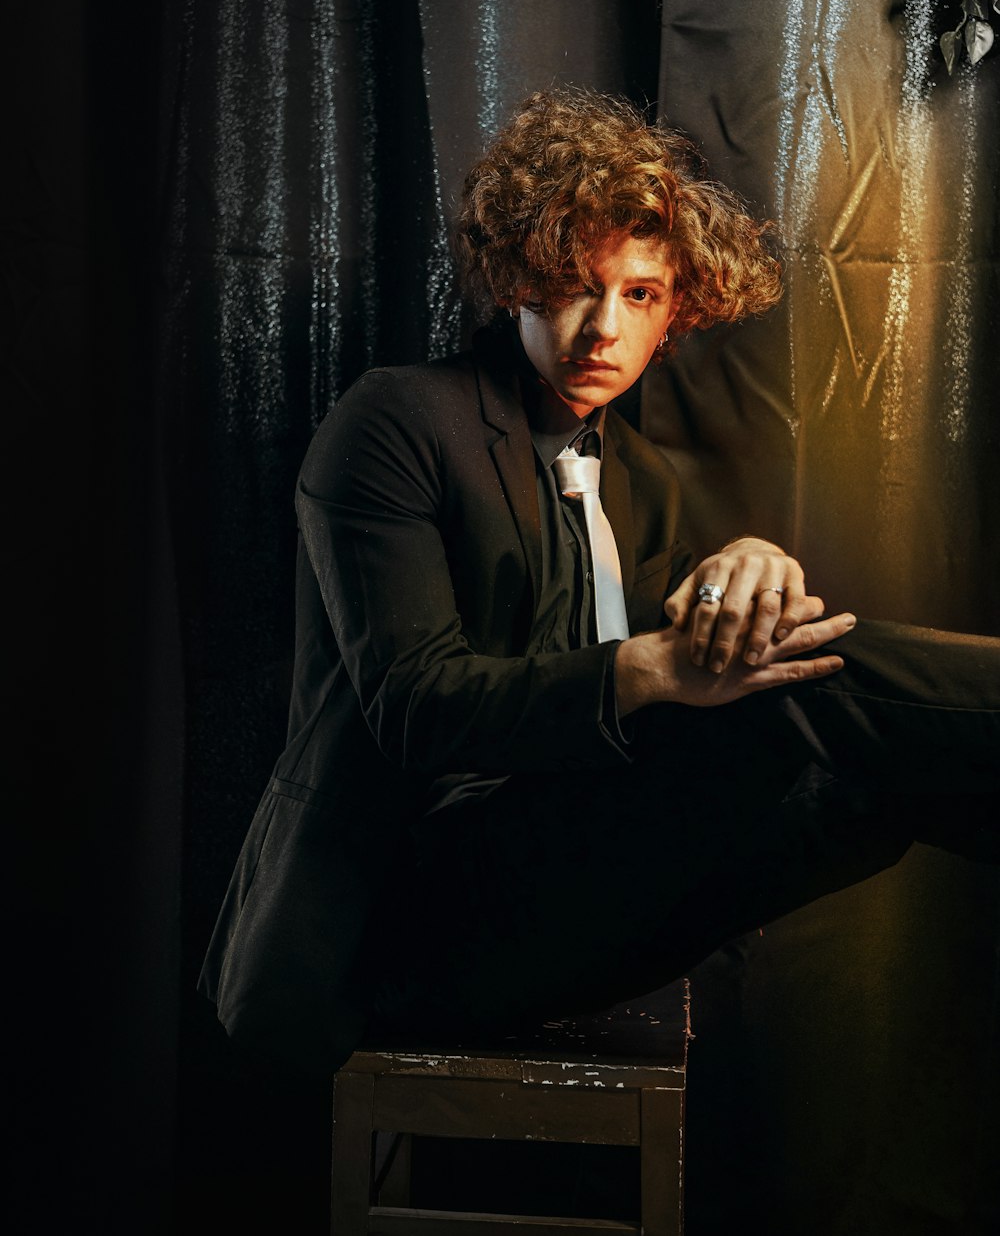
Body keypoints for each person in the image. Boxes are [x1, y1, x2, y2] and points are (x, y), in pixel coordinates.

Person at [199, 87, 999, 1078]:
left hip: (576, 904)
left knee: (870, 770)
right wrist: (657, 666)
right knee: (797, 691)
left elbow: (678, 666)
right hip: (401, 923)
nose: (601, 329)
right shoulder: (399, 423)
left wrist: (742, 567)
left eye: (640, 295)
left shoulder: (637, 481)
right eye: (577, 285)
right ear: (519, 282)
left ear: (676, 312)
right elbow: (416, 707)